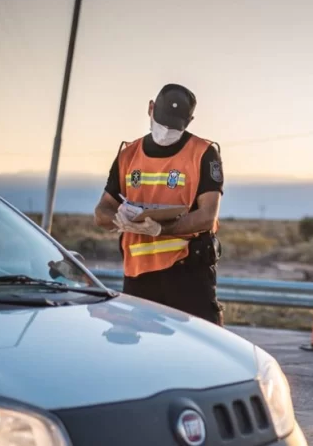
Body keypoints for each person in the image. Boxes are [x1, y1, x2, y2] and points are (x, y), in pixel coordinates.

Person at [94, 83, 225, 326]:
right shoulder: (128, 154)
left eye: (174, 126)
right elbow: (102, 210)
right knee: (142, 358)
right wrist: (118, 219)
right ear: (150, 108)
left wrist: (161, 230)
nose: (165, 131)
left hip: (188, 274)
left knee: (200, 355)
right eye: (162, 122)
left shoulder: (203, 153)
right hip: (138, 278)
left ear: (190, 120)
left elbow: (208, 215)